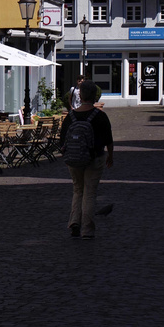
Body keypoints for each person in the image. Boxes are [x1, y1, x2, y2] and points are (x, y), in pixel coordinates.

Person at [59, 79, 113, 239]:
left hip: (74, 159)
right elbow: (108, 139)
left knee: (77, 190)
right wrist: (111, 155)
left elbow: (62, 141)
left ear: (80, 96)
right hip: (94, 158)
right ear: (94, 96)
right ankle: (87, 230)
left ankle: (74, 222)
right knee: (89, 192)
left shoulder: (70, 117)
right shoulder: (100, 116)